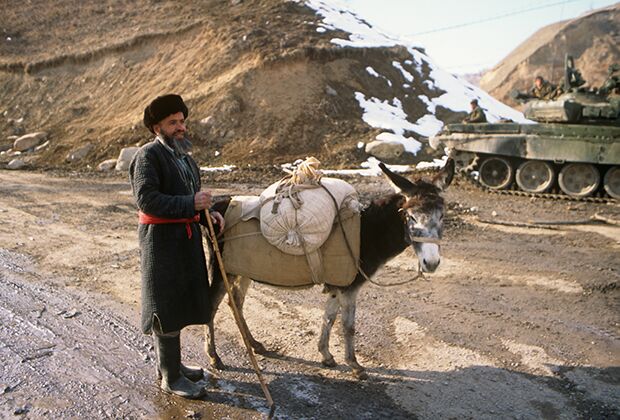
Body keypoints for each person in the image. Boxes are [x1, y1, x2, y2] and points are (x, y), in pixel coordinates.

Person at [129, 94, 225, 399]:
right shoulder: (147, 156)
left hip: (184, 241)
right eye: (173, 122)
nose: (180, 127)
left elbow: (191, 201)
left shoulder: (185, 158)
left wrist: (207, 215)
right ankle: (169, 377)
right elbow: (147, 200)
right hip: (161, 244)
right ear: (157, 127)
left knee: (180, 303)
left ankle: (174, 366)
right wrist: (191, 203)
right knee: (165, 307)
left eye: (182, 121)